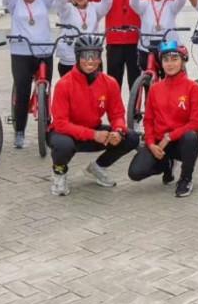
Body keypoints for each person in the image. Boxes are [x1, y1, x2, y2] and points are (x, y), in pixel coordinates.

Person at [48, 34, 139, 196]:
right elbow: (61, 123)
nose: (90, 61)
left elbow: (117, 114)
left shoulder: (109, 83)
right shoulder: (64, 85)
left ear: (100, 58)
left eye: (95, 55)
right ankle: (59, 174)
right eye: (85, 56)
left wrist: (117, 130)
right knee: (63, 146)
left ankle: (97, 167)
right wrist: (94, 134)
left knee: (130, 137)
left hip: (93, 131)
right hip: (65, 133)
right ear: (77, 57)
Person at [0, 0, 64, 149]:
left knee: (46, 90)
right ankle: (20, 131)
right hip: (21, 53)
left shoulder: (43, 0)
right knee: (22, 90)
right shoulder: (14, 2)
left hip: (44, 52)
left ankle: (46, 126)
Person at [126, 41, 198, 197]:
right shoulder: (155, 89)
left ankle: (185, 178)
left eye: (175, 59)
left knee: (191, 137)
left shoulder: (193, 88)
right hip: (159, 143)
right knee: (135, 172)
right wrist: (150, 144)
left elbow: (196, 123)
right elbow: (148, 120)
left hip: (181, 142)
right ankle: (167, 164)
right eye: (166, 60)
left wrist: (170, 136)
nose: (170, 64)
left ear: (183, 61)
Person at [89, 0, 151, 89]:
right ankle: (114, 112)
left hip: (135, 39)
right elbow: (90, 0)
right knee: (113, 83)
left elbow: (154, 1)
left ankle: (133, 111)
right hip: (114, 39)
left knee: (135, 83)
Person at [55, 0, 112, 77]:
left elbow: (106, 4)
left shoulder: (94, 8)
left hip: (92, 56)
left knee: (94, 89)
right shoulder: (66, 9)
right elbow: (59, 2)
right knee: (70, 91)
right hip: (70, 58)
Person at [130, 0, 187, 71]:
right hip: (147, 47)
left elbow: (181, 1)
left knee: (170, 77)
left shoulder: (171, 5)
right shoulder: (145, 4)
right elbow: (133, 2)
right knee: (148, 79)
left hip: (168, 47)